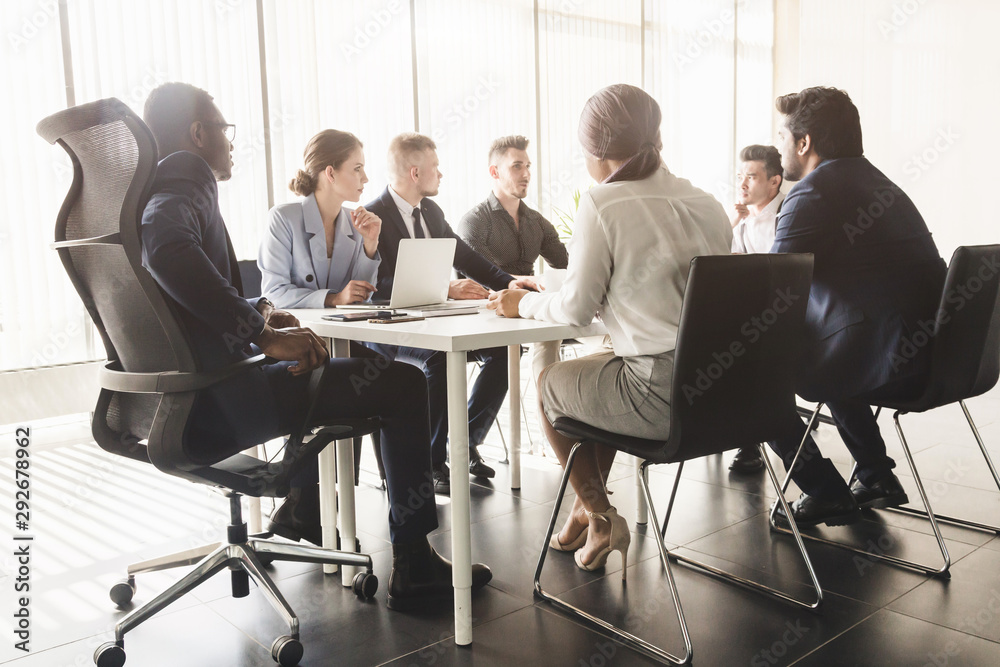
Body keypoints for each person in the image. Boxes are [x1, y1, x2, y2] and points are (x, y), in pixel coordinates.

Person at [140, 82, 491, 610]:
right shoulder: (184, 184)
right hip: (215, 401)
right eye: (223, 129)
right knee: (400, 384)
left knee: (361, 368)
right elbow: (168, 251)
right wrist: (261, 333)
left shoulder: (158, 187)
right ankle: (410, 559)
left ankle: (304, 509)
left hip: (182, 396)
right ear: (197, 134)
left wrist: (260, 313)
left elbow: (192, 283)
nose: (230, 142)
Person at [489, 84, 731, 574]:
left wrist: (523, 303)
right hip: (728, 392)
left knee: (549, 385)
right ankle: (586, 506)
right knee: (598, 375)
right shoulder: (705, 200)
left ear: (596, 153)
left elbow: (576, 309)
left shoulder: (604, 202)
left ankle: (599, 514)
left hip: (663, 398)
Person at [767, 86, 946, 527]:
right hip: (942, 357)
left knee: (751, 376)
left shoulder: (811, 194)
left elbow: (765, 287)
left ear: (804, 142)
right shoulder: (883, 184)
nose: (779, 147)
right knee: (826, 344)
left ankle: (824, 490)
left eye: (782, 136)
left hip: (892, 362)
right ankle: (875, 475)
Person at [364, 133, 537, 495]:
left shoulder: (431, 212)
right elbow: (376, 285)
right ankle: (430, 463)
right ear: (415, 172)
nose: (441, 174)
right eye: (435, 167)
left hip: (435, 322)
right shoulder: (373, 216)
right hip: (388, 330)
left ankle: (464, 442)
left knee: (507, 350)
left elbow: (468, 259)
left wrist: (511, 285)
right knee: (440, 361)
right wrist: (445, 289)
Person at [458, 135, 569, 384]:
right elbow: (484, 277)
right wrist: (533, 280)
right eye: (516, 166)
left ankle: (555, 412)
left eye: (528, 166)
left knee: (556, 329)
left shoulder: (537, 222)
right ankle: (550, 409)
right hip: (487, 312)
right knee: (546, 331)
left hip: (528, 309)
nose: (526, 173)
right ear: (494, 172)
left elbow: (566, 264)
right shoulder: (475, 221)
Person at [259, 129, 381, 309]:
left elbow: (361, 299)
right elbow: (274, 294)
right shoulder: (283, 218)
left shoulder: (355, 222)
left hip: (345, 334)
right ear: (331, 173)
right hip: (298, 332)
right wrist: (333, 298)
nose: (365, 178)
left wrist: (370, 244)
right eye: (357, 169)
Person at [727, 144, 785, 474]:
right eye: (740, 176)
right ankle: (742, 435)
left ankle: (749, 442)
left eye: (751, 176)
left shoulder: (787, 214)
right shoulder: (746, 219)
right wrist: (734, 221)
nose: (743, 184)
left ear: (774, 181)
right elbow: (724, 262)